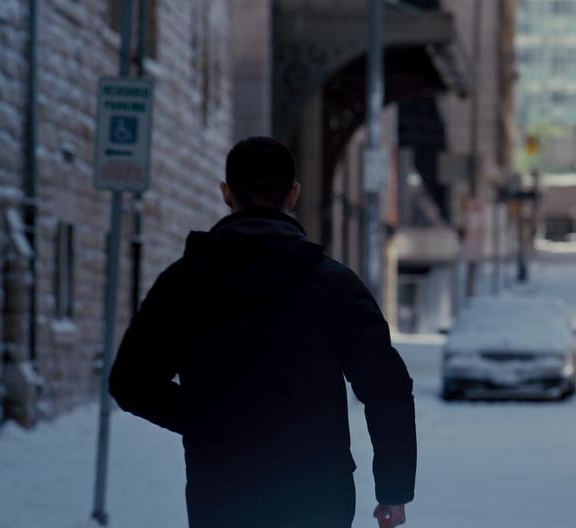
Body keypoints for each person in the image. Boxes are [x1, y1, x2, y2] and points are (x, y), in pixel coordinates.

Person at [109, 136, 416, 528]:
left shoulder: (184, 283)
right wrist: (393, 488)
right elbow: (387, 388)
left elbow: (131, 381)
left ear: (226, 194)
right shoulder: (335, 286)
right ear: (293, 194)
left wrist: (208, 419)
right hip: (318, 491)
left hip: (222, 486)